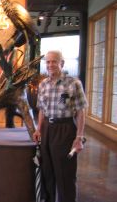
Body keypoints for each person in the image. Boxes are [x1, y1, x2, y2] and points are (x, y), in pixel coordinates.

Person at [33, 50, 88, 202]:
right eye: (48, 62)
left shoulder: (73, 83)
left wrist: (79, 137)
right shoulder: (43, 84)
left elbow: (81, 112)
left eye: (54, 61)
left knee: (65, 173)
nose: (50, 65)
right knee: (47, 171)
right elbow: (42, 110)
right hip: (47, 130)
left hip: (65, 129)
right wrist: (39, 129)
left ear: (61, 63)